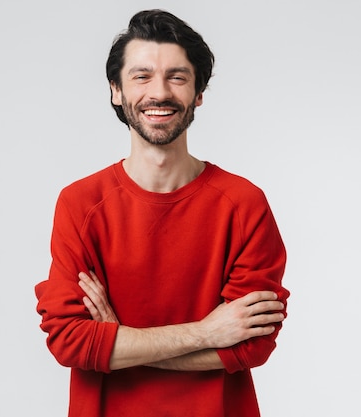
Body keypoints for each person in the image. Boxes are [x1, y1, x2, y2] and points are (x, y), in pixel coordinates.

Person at [35, 9, 289, 417]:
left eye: (177, 76)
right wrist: (207, 333)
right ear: (116, 90)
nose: (160, 92)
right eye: (141, 76)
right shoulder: (81, 203)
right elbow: (70, 341)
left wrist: (118, 340)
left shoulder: (243, 203)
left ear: (198, 93)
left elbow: (251, 345)